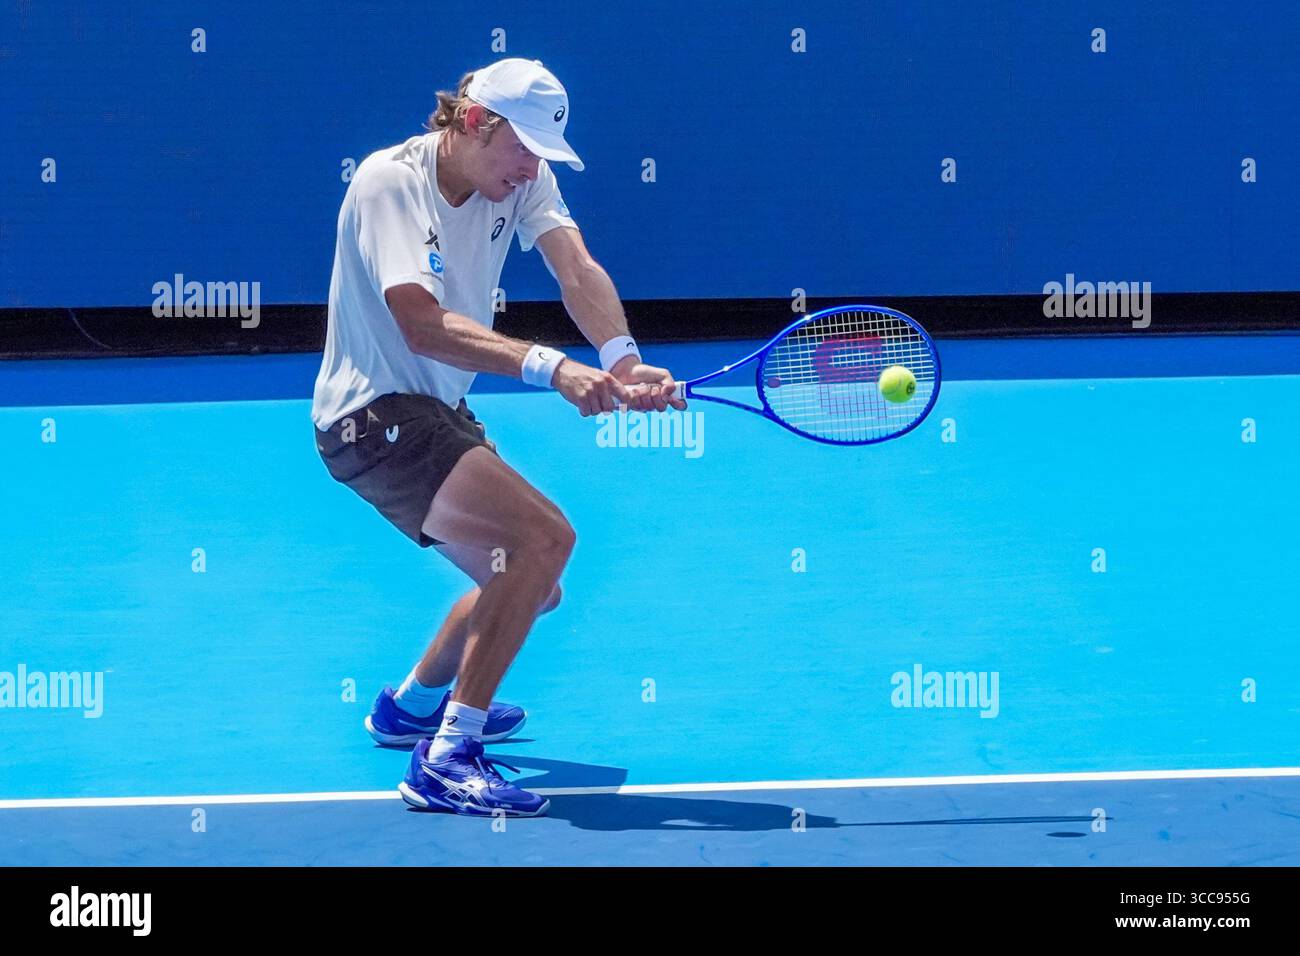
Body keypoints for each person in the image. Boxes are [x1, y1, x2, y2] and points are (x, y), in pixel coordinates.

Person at [312, 58, 684, 817]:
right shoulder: (391, 182)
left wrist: (624, 361)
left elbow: (574, 268)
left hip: (433, 411)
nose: (531, 169)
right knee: (546, 536)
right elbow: (421, 322)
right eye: (523, 150)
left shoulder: (522, 175)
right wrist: (553, 368)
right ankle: (447, 756)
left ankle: (411, 708)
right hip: (371, 416)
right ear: (474, 121)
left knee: (531, 584)